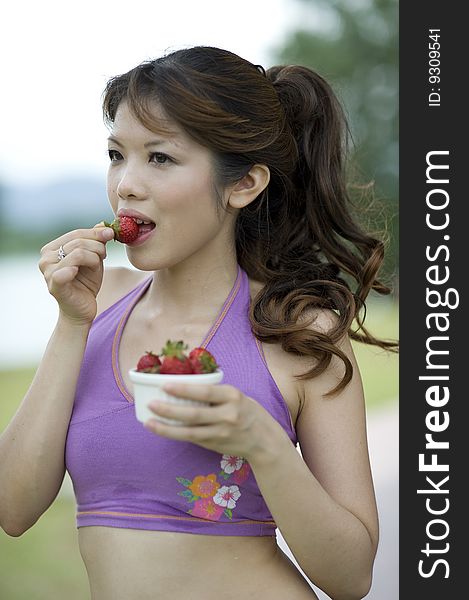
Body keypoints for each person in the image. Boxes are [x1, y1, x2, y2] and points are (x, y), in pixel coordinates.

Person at [0, 46, 398, 599]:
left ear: (243, 185)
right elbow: (13, 509)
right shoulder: (95, 307)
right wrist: (71, 323)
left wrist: (264, 444)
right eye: (117, 154)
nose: (126, 185)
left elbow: (351, 577)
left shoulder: (300, 331)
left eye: (159, 158)